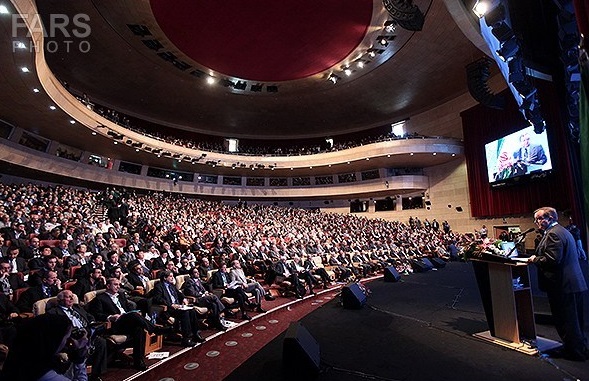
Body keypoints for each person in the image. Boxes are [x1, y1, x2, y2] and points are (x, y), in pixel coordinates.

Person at [527, 207, 588, 361]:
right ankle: (578, 348)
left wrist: (535, 259)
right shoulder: (561, 231)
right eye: (536, 219)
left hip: (563, 284)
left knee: (567, 321)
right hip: (571, 283)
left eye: (540, 219)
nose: (537, 222)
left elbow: (552, 260)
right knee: (574, 321)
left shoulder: (553, 234)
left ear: (551, 218)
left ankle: (573, 352)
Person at [46, 290, 108, 381]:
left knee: (101, 342)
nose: (72, 298)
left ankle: (96, 375)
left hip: (87, 333)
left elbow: (89, 316)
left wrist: (91, 322)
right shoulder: (53, 312)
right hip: (71, 339)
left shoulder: (77, 307)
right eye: (68, 297)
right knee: (79, 348)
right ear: (60, 300)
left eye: (72, 296)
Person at [150, 270, 205, 346]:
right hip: (169, 309)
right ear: (165, 278)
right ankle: (186, 339)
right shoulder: (159, 286)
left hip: (178, 307)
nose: (173, 278)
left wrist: (184, 298)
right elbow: (158, 299)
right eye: (171, 276)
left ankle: (195, 334)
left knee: (191, 311)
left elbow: (179, 293)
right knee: (185, 313)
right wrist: (171, 304)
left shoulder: (171, 285)